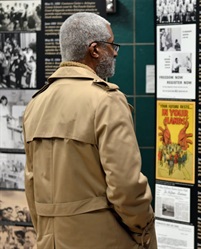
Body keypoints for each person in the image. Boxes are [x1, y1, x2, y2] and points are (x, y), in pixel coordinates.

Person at [23, 12, 157, 249]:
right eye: (111, 45)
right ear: (94, 50)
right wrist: (143, 227)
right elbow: (126, 185)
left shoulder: (36, 104)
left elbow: (32, 184)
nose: (115, 52)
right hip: (104, 240)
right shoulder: (106, 100)